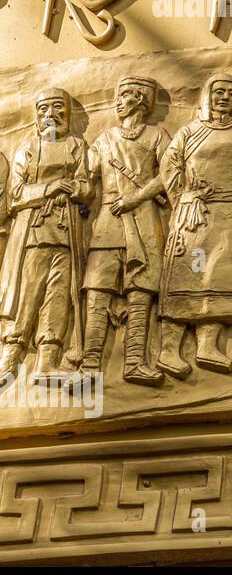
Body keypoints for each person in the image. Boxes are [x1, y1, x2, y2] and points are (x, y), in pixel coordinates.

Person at [157, 74, 232, 378]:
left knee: (219, 272)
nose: (224, 97)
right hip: (193, 210)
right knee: (187, 274)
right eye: (219, 92)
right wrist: (183, 196)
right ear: (207, 96)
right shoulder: (190, 131)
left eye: (231, 93)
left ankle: (208, 346)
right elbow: (168, 164)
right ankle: (168, 350)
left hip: (226, 212)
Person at [83, 76, 170, 386]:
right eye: (117, 97)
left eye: (125, 97)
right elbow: (85, 178)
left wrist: (135, 197)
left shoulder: (158, 136)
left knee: (141, 291)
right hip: (108, 220)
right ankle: (89, 363)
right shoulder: (104, 140)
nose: (117, 102)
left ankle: (134, 362)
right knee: (97, 290)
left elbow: (169, 175)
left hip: (144, 218)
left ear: (141, 102)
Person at [0, 88, 90, 385]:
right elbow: (14, 196)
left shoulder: (77, 145)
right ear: (37, 116)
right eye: (44, 110)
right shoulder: (27, 147)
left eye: (57, 108)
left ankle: (46, 364)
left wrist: (73, 189)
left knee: (57, 298)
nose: (51, 115)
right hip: (32, 235)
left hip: (65, 234)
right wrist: (48, 189)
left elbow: (86, 187)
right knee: (28, 297)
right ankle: (9, 361)